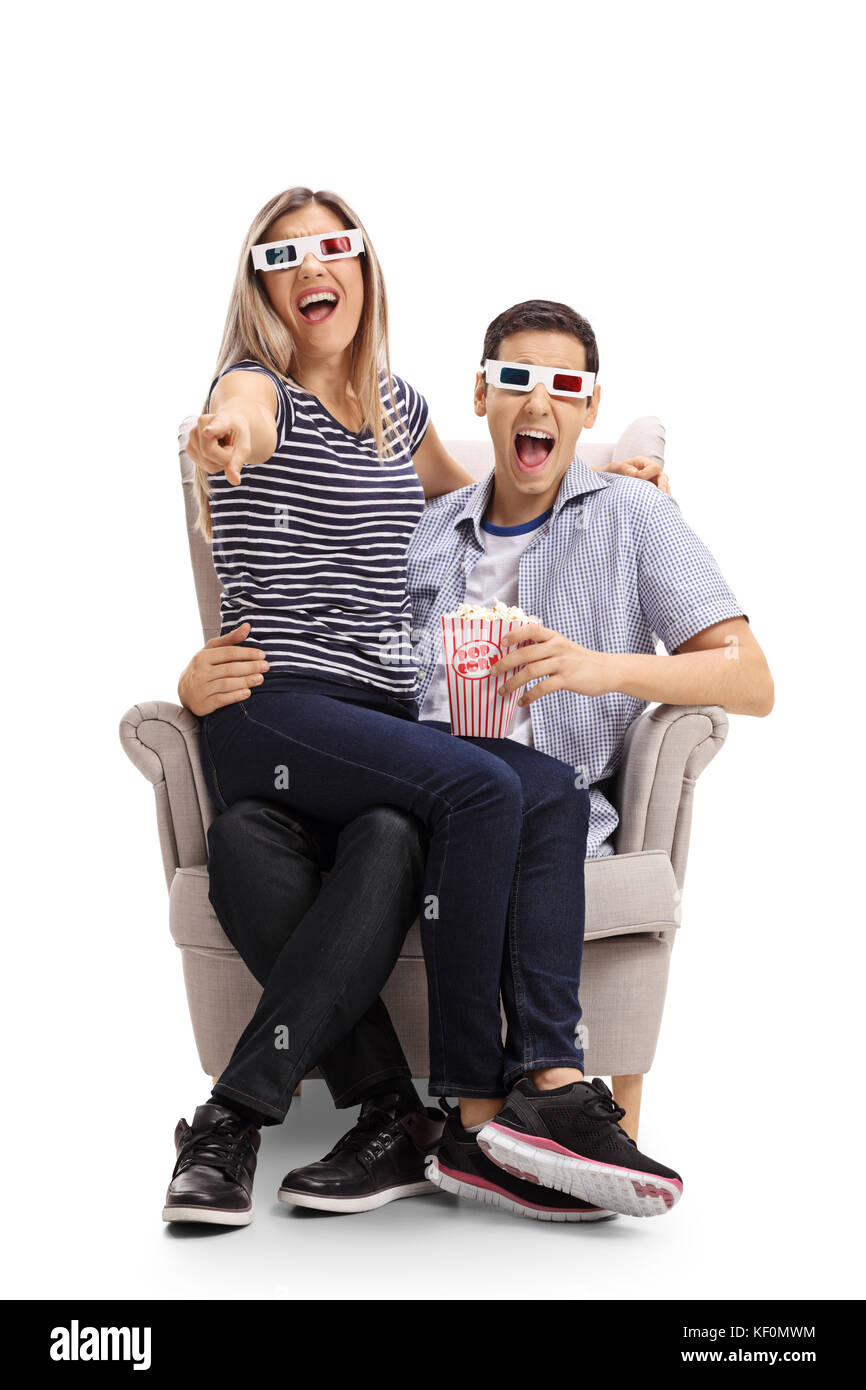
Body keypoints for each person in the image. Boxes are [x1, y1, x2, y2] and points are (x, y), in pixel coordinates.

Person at [164, 186, 677, 1228]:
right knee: (485, 787)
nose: (313, 269)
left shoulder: (397, 411)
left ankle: (459, 1099)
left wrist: (610, 479)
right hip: (275, 704)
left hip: (383, 724)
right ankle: (470, 1107)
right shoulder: (253, 386)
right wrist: (221, 435)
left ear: (363, 270)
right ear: (262, 288)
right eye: (284, 258)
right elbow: (239, 422)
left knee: (504, 794)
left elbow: (478, 500)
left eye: (333, 249)